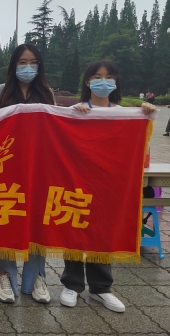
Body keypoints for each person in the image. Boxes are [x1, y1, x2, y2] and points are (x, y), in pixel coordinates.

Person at [64, 60, 155, 313]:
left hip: (107, 184)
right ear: (87, 81)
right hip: (77, 181)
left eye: (108, 77)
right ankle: (71, 284)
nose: (102, 81)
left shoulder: (124, 114)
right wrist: (74, 116)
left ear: (116, 82)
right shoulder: (75, 110)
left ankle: (101, 288)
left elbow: (137, 146)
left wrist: (146, 115)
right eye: (97, 76)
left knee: (102, 232)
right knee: (73, 229)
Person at [0, 43, 55, 305]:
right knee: (5, 216)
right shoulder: (0, 92)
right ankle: (3, 275)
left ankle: (36, 276)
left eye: (33, 62)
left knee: (37, 220)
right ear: (13, 65)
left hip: (38, 167)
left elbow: (56, 129)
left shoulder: (46, 93)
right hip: (6, 167)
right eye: (22, 62)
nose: (28, 67)